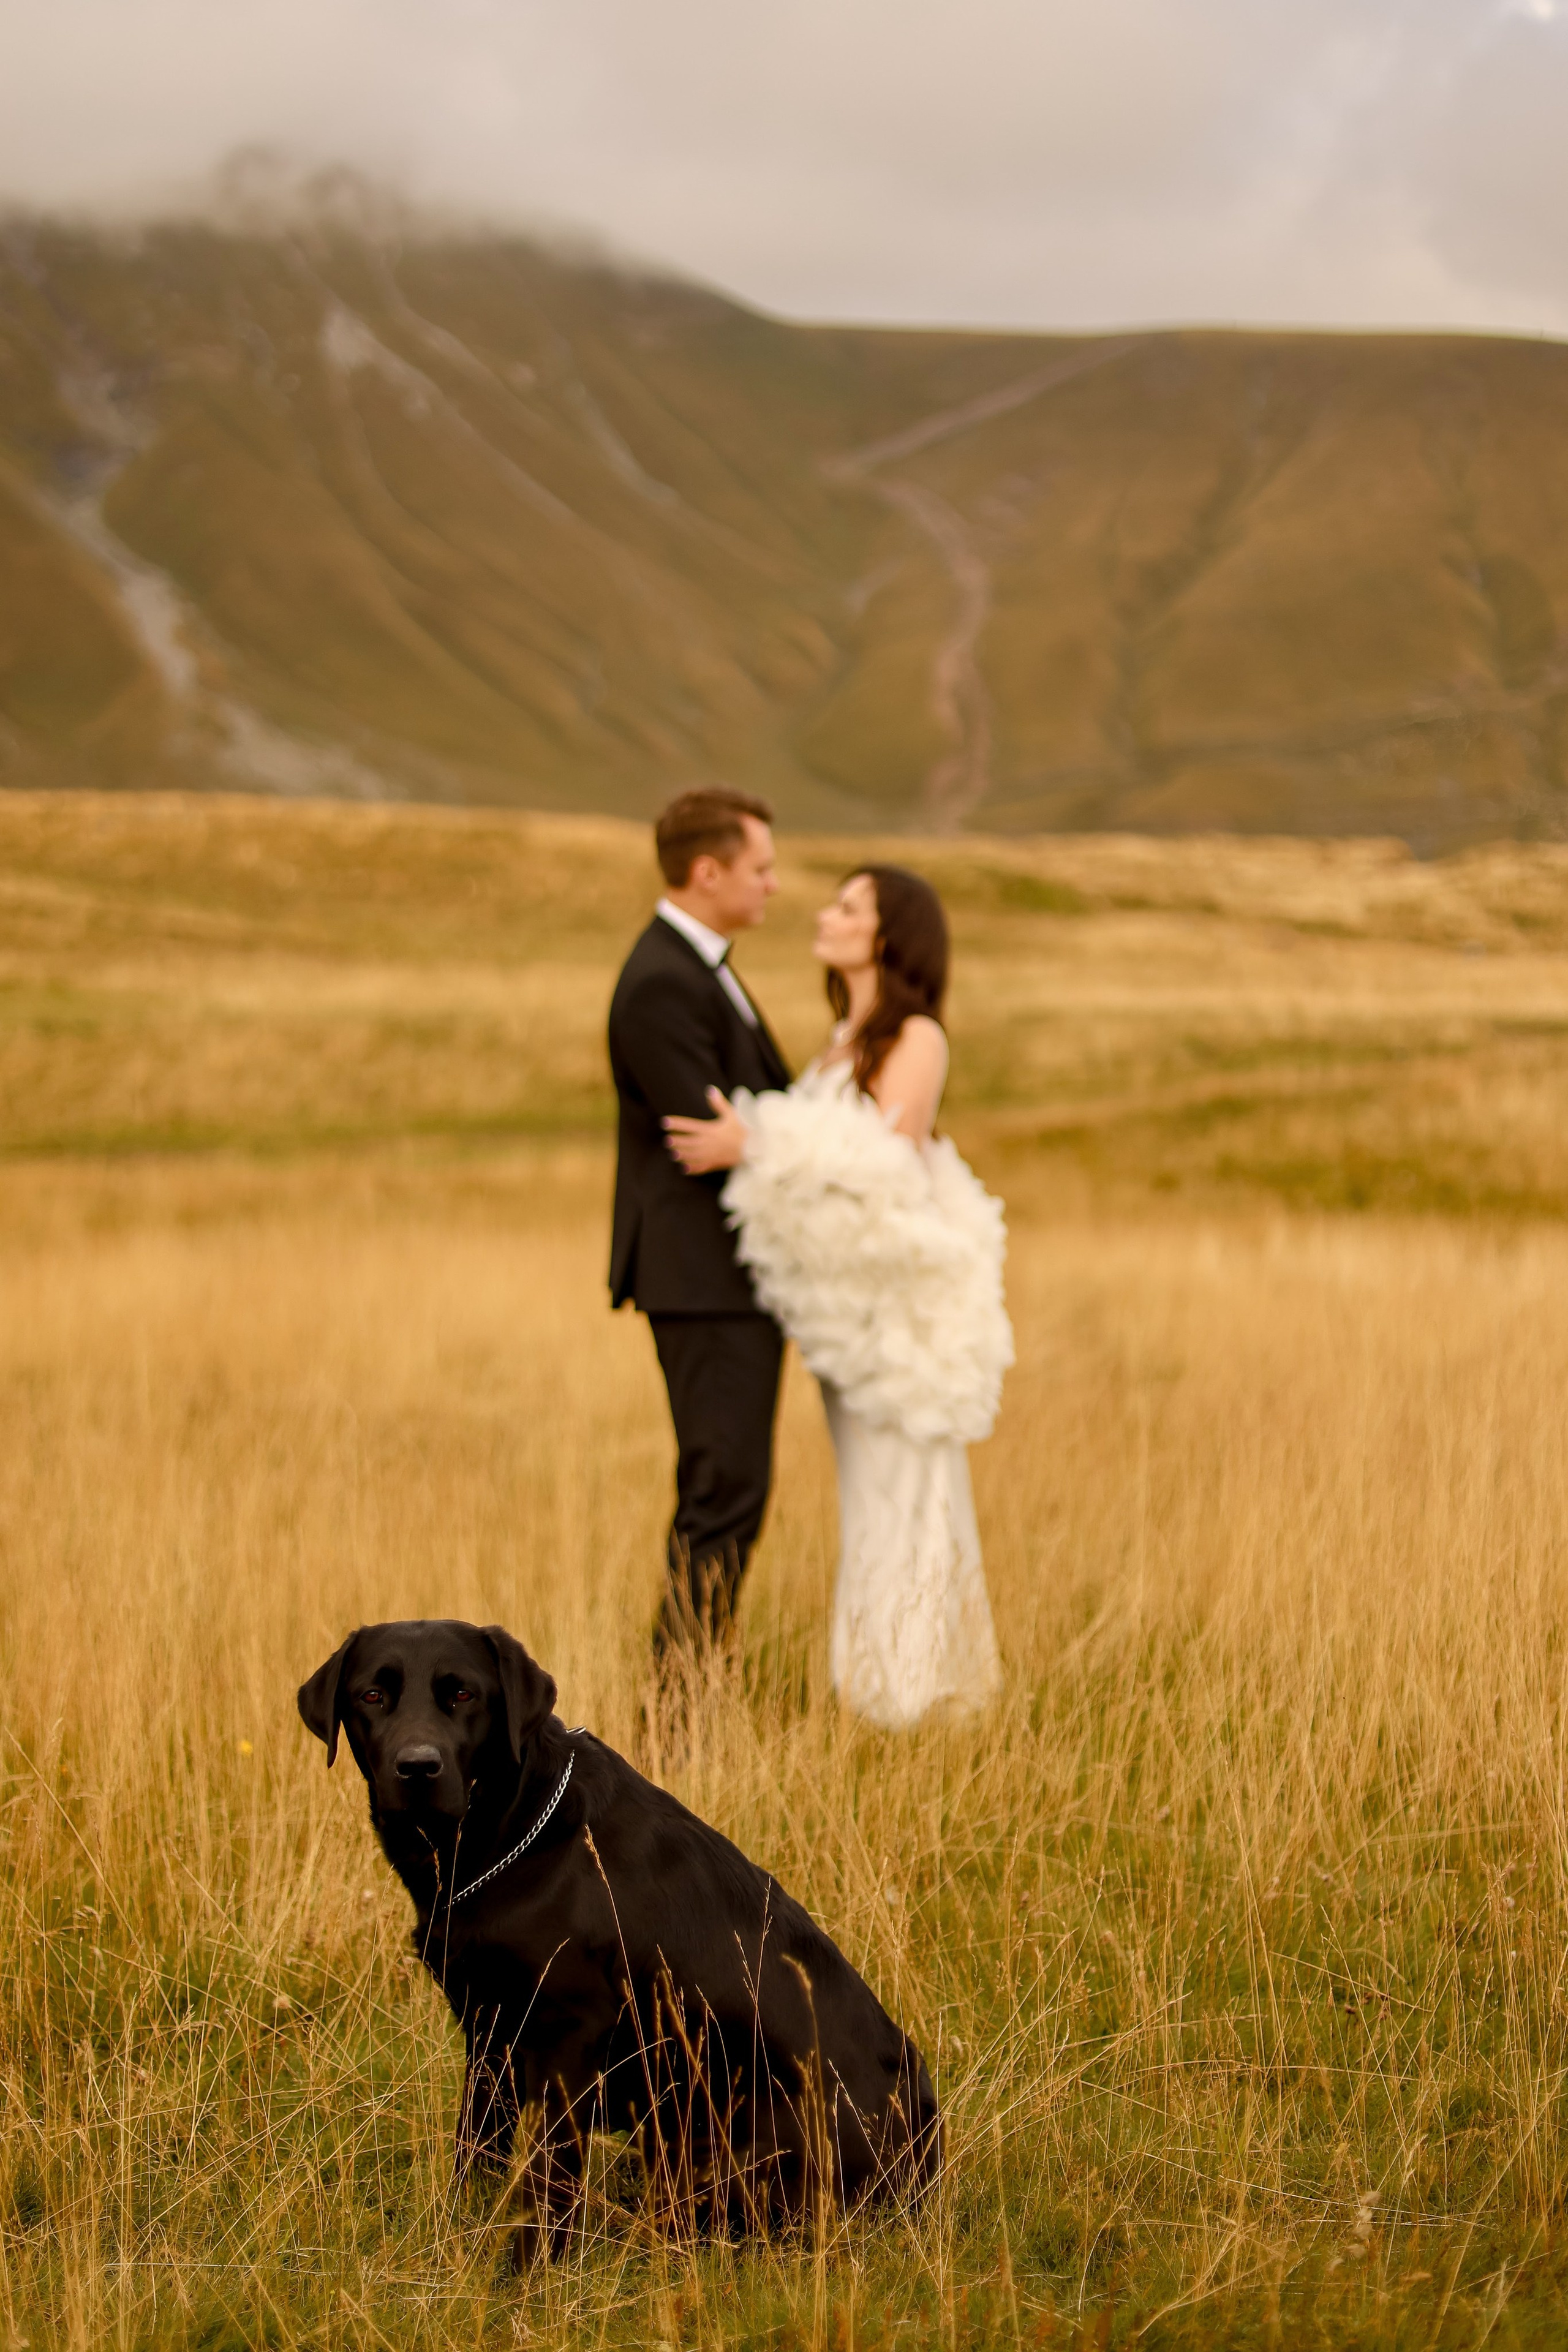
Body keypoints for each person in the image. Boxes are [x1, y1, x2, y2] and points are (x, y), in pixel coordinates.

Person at [665, 866, 1011, 1729]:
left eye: (850, 907)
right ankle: (877, 1686)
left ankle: (924, 1695)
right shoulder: (840, 1038)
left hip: (895, 1321)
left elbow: (884, 1165)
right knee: (870, 1491)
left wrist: (758, 1143)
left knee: (910, 1486)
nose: (827, 915)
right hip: (843, 1313)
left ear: (891, 936)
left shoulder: (915, 1036)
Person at [607, 787, 791, 1656]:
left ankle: (693, 1693)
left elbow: (749, 1122)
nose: (774, 886)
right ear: (706, 870)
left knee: (733, 1489)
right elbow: (702, 1133)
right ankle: (679, 1714)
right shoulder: (660, 983)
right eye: (761, 869)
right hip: (702, 1279)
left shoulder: (699, 967)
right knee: (722, 1491)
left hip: (725, 1280)